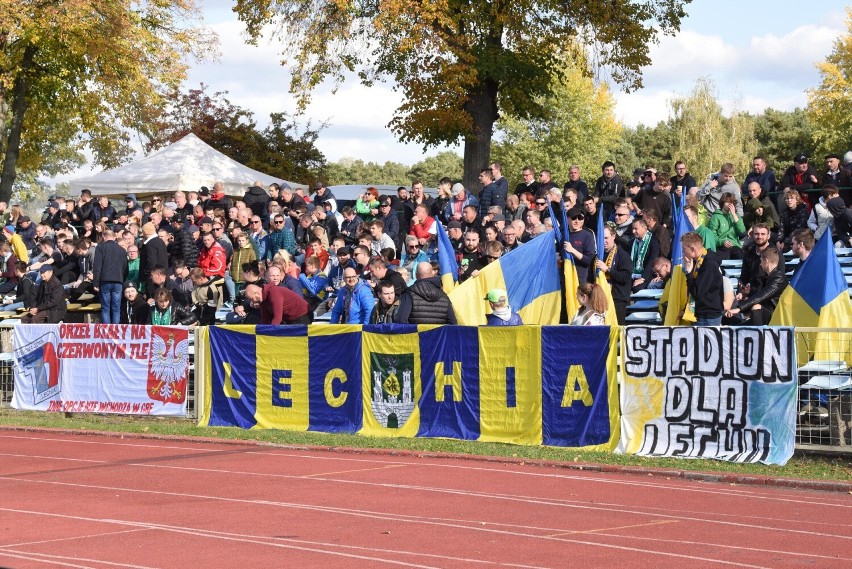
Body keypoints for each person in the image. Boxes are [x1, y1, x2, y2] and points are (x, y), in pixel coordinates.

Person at [726, 248, 787, 326]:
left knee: (756, 307)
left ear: (766, 260)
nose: (760, 264)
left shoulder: (779, 277)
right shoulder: (769, 277)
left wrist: (739, 309)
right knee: (735, 328)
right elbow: (763, 295)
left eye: (761, 261)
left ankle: (759, 337)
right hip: (768, 314)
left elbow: (762, 295)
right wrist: (749, 292)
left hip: (776, 316)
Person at [681, 231, 724, 326]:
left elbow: (697, 291)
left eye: (684, 249)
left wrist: (688, 273)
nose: (683, 252)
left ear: (692, 249)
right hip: (702, 312)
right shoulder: (700, 260)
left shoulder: (708, 264)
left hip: (708, 315)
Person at [595, 225, 633, 324]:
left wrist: (608, 270)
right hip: (601, 299)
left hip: (617, 299)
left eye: (606, 238)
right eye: (601, 238)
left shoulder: (623, 255)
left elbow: (625, 277)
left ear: (613, 236)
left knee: (617, 331)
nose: (603, 241)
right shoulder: (597, 255)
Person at [92, 229, 127, 324]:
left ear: (104, 237)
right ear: (114, 237)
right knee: (116, 308)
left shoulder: (100, 247)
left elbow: (97, 266)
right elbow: (125, 267)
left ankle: (107, 332)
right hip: (118, 281)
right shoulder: (122, 250)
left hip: (105, 281)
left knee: (105, 308)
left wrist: (95, 282)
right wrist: (122, 279)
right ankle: (115, 331)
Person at [706, 192, 746, 260]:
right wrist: (722, 242)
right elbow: (712, 236)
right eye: (727, 202)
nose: (729, 204)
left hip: (734, 245)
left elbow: (742, 231)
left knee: (739, 256)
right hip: (721, 246)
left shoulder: (736, 216)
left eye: (731, 202)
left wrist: (734, 214)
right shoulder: (716, 217)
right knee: (724, 255)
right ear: (722, 203)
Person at [562, 207, 596, 283]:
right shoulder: (563, 235)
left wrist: (572, 250)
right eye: (574, 218)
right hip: (565, 278)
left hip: (580, 279)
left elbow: (589, 260)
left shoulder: (587, 235)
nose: (577, 221)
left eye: (580, 218)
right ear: (567, 219)